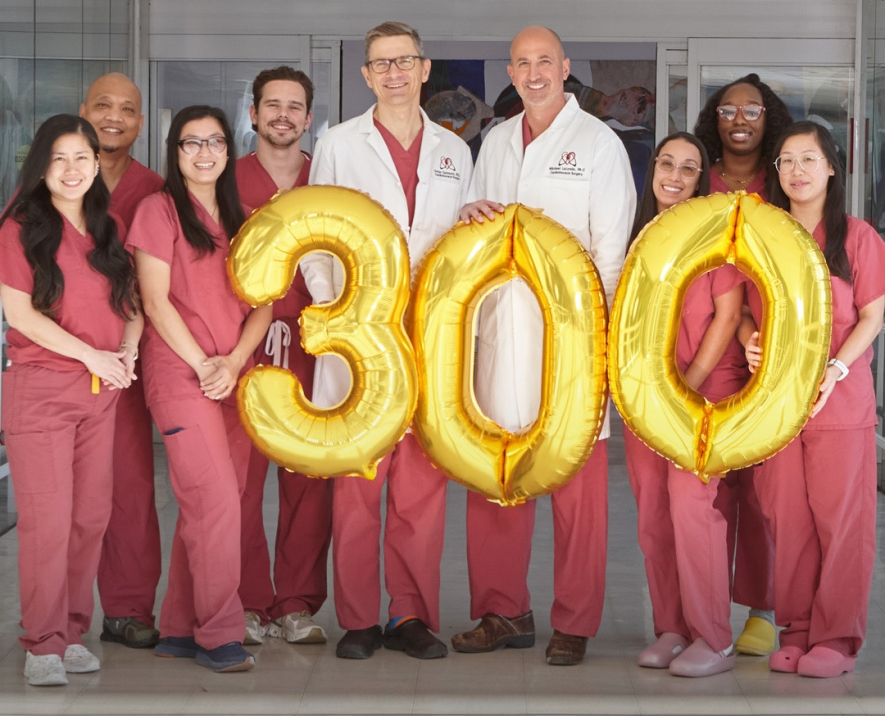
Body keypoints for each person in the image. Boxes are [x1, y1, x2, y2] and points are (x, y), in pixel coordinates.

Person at [452, 26, 635, 666]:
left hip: (573, 347)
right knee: (495, 472)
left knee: (577, 490)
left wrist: (600, 349)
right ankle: (504, 611)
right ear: (511, 69)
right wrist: (469, 212)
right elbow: (474, 228)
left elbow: (612, 252)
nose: (534, 73)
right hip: (501, 335)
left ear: (565, 68)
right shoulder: (496, 141)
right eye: (522, 63)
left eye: (544, 62)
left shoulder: (598, 144)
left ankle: (574, 622)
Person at [304, 21, 472, 660]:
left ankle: (410, 615)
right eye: (381, 64)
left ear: (425, 69)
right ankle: (358, 618)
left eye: (405, 61)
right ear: (367, 76)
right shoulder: (340, 144)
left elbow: (466, 236)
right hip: (359, 335)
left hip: (429, 335)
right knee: (359, 477)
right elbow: (315, 230)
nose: (394, 72)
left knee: (422, 484)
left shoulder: (456, 151)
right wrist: (333, 306)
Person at [127, 105, 271, 673]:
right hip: (181, 377)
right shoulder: (157, 211)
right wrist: (205, 365)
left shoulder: (247, 219)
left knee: (212, 506)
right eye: (192, 143)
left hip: (234, 378)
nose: (205, 153)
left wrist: (233, 362)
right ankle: (219, 634)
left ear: (229, 150)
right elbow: (155, 301)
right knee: (214, 504)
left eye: (215, 142)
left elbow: (262, 305)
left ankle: (180, 628)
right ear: (175, 151)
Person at [0, 114, 142, 686]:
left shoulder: (109, 226)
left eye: (82, 156)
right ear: (42, 166)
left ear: (95, 163)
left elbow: (131, 305)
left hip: (101, 391)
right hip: (42, 392)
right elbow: (19, 313)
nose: (72, 169)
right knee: (48, 522)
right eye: (59, 158)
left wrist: (127, 352)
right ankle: (42, 642)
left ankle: (73, 631)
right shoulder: (20, 226)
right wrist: (92, 357)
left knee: (89, 519)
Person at [742, 121, 885, 678]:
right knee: (787, 519)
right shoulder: (763, 234)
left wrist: (838, 368)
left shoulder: (857, 236)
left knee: (840, 520)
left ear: (831, 167)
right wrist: (748, 339)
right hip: (775, 401)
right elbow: (748, 309)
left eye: (808, 159)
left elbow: (873, 313)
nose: (797, 170)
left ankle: (837, 638)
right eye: (786, 161)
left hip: (838, 400)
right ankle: (796, 630)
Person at [623, 132, 745, 677]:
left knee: (692, 509)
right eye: (666, 163)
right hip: (646, 397)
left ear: (703, 179)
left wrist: (689, 383)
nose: (674, 174)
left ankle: (714, 637)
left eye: (689, 168)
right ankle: (673, 627)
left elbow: (727, 311)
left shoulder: (713, 233)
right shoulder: (639, 234)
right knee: (653, 513)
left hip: (702, 392)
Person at [693, 73, 793, 655]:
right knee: (708, 487)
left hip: (764, 352)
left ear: (767, 116)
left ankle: (761, 610)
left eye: (751, 109)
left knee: (761, 489)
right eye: (728, 109)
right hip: (703, 346)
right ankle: (701, 616)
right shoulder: (695, 179)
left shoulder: (782, 182)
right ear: (715, 118)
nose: (739, 118)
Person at [235, 66, 332, 648]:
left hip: (313, 346)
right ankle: (247, 601)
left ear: (308, 118)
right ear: (253, 114)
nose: (283, 115)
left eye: (294, 107)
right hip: (244, 347)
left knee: (307, 480)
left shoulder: (328, 181)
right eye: (272, 105)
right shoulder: (226, 178)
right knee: (240, 485)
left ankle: (296, 604)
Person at [79, 71, 165, 650]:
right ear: (82, 110)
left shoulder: (156, 190)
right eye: (103, 105)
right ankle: (55, 612)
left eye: (128, 109)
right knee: (60, 498)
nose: (115, 116)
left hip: (130, 361)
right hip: (60, 358)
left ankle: (128, 608)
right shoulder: (48, 182)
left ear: (140, 122)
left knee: (130, 486)